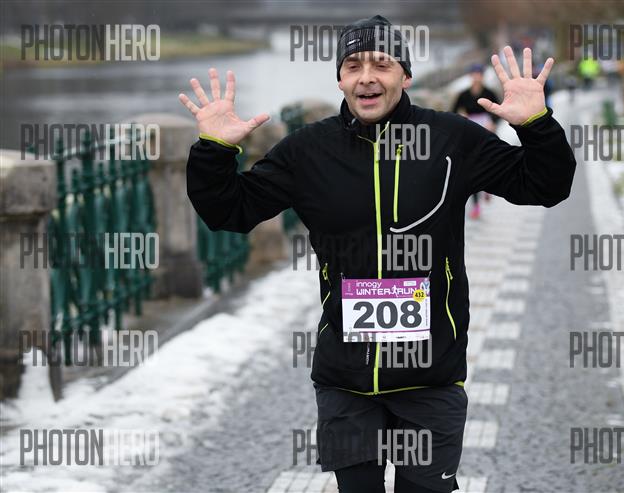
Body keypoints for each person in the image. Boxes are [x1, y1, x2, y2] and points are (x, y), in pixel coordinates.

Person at [181, 15, 576, 493]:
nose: (366, 77)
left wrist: (536, 125)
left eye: (381, 64)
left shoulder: (451, 139)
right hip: (346, 378)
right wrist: (214, 151)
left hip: (430, 376)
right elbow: (229, 210)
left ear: (405, 75)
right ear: (340, 80)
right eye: (353, 66)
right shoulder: (308, 151)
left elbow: (545, 185)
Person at [451, 63, 501, 219]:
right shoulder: (463, 94)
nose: (476, 77)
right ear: (470, 76)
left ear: (483, 76)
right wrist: (461, 117)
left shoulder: (489, 93)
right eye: (474, 74)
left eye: (479, 74)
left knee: (488, 160)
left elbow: (498, 110)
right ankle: (476, 205)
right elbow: (453, 111)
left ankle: (488, 187)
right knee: (471, 164)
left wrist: (493, 122)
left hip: (486, 127)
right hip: (470, 128)